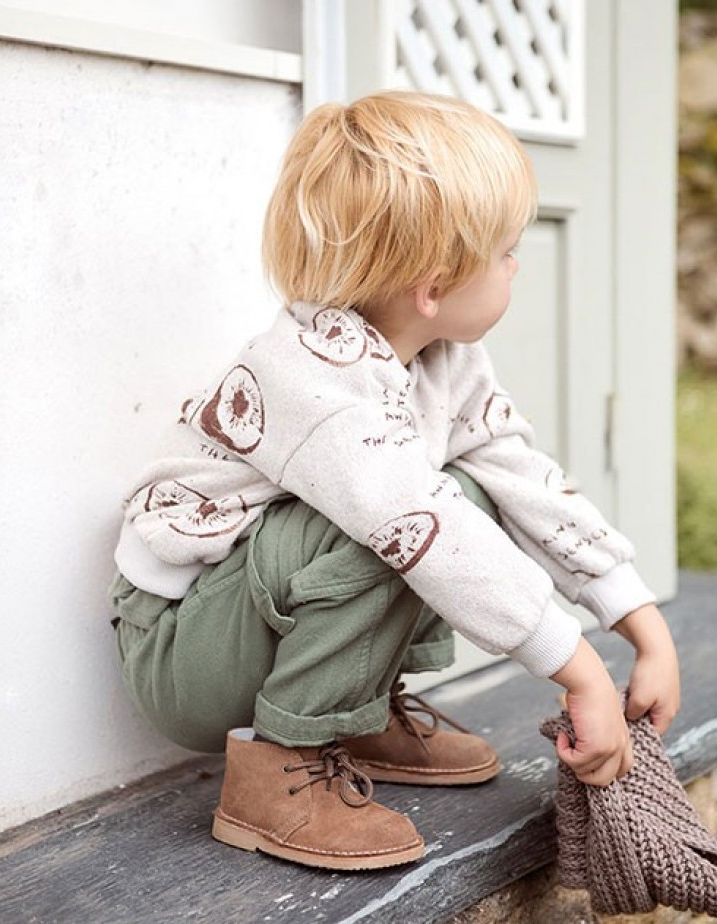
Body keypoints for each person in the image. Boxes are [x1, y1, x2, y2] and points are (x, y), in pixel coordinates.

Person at [108, 91, 681, 871]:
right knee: (416, 522)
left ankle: (355, 709)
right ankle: (277, 768)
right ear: (435, 287)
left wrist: (640, 622)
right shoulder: (312, 375)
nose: (518, 263)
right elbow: (421, 528)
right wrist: (581, 673)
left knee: (471, 491)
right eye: (507, 251)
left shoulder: (443, 358)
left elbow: (525, 479)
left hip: (251, 613)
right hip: (184, 650)